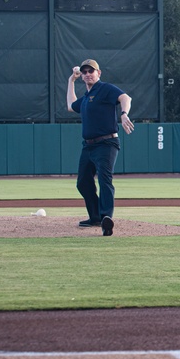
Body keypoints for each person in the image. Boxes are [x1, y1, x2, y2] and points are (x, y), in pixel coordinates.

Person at [66, 58, 135, 236]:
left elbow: (125, 97)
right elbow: (71, 106)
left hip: (106, 143)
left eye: (91, 71)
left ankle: (106, 218)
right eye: (85, 72)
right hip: (88, 146)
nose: (88, 74)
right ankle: (95, 216)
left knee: (105, 180)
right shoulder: (87, 97)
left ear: (99, 73)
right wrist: (71, 81)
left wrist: (124, 113)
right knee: (82, 182)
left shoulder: (104, 89)